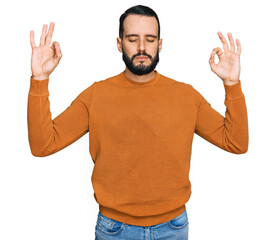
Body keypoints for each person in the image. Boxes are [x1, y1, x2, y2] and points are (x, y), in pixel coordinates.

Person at [27, 5, 248, 240]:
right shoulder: (96, 95)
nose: (142, 47)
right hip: (114, 229)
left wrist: (232, 85)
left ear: (160, 44)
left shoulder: (186, 96)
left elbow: (235, 143)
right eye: (132, 39)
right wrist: (40, 79)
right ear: (119, 43)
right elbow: (43, 145)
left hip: (172, 228)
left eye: (150, 39)